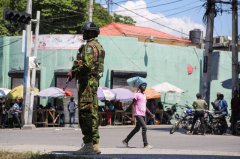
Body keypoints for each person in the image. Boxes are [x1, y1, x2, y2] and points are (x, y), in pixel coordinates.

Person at [68, 22, 105, 155]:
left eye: (85, 31)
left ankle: (88, 144)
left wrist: (74, 71)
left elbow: (87, 66)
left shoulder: (89, 47)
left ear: (91, 32)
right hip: (94, 82)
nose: (83, 33)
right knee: (93, 112)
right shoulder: (99, 46)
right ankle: (94, 144)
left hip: (87, 83)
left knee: (85, 113)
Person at [122, 81, 154, 149]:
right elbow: (133, 105)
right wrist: (133, 116)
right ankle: (146, 144)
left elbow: (145, 106)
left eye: (145, 85)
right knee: (144, 127)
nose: (144, 87)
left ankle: (126, 140)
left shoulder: (144, 96)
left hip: (143, 114)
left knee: (137, 129)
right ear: (139, 87)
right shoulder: (137, 94)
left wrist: (150, 114)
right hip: (138, 114)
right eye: (143, 85)